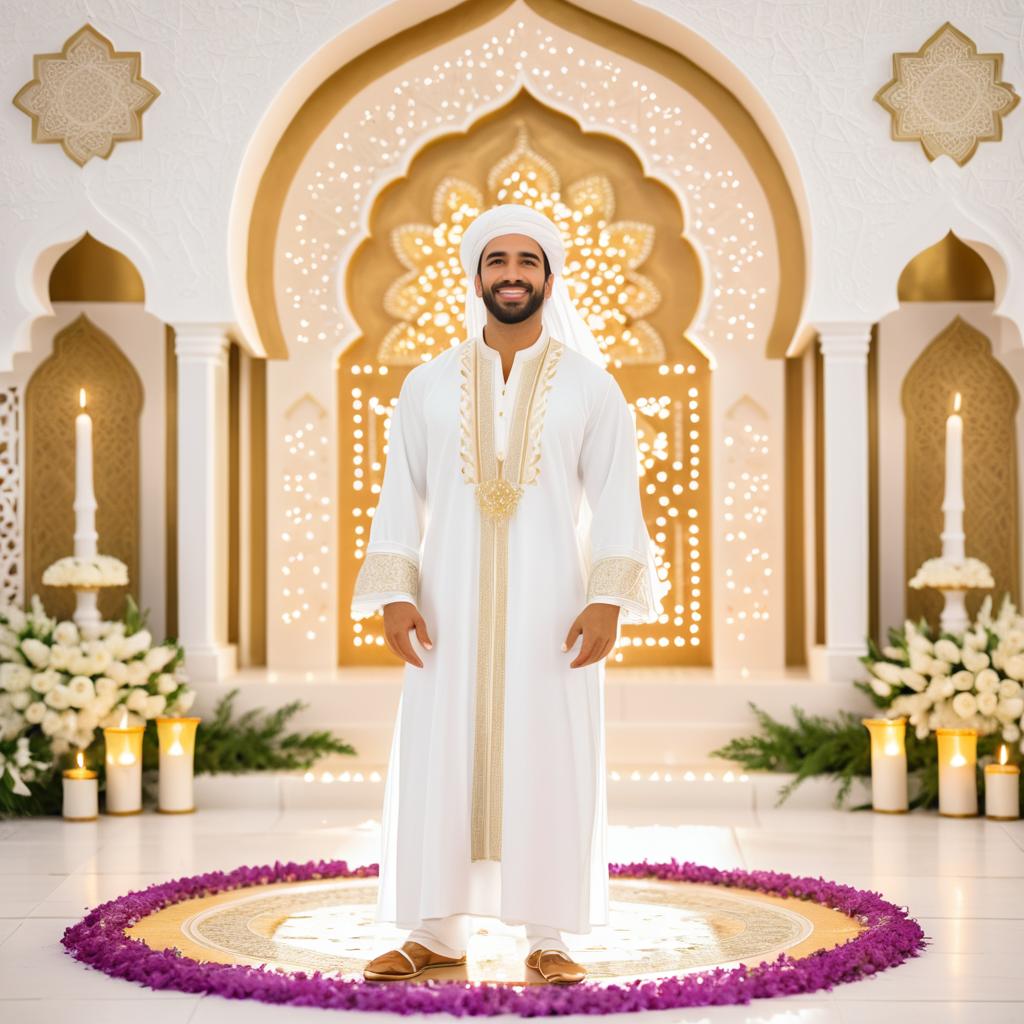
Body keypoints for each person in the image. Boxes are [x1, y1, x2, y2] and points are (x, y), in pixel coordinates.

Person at [351, 203, 667, 984]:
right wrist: (396, 589)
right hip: (448, 607)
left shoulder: (591, 389)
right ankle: (435, 930)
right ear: (477, 277)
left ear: (550, 279)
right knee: (441, 749)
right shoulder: (426, 387)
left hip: (552, 610)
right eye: (499, 262)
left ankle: (549, 935)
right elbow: (399, 495)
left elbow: (618, 496)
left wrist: (607, 597)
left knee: (549, 752)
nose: (514, 275)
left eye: (528, 262)